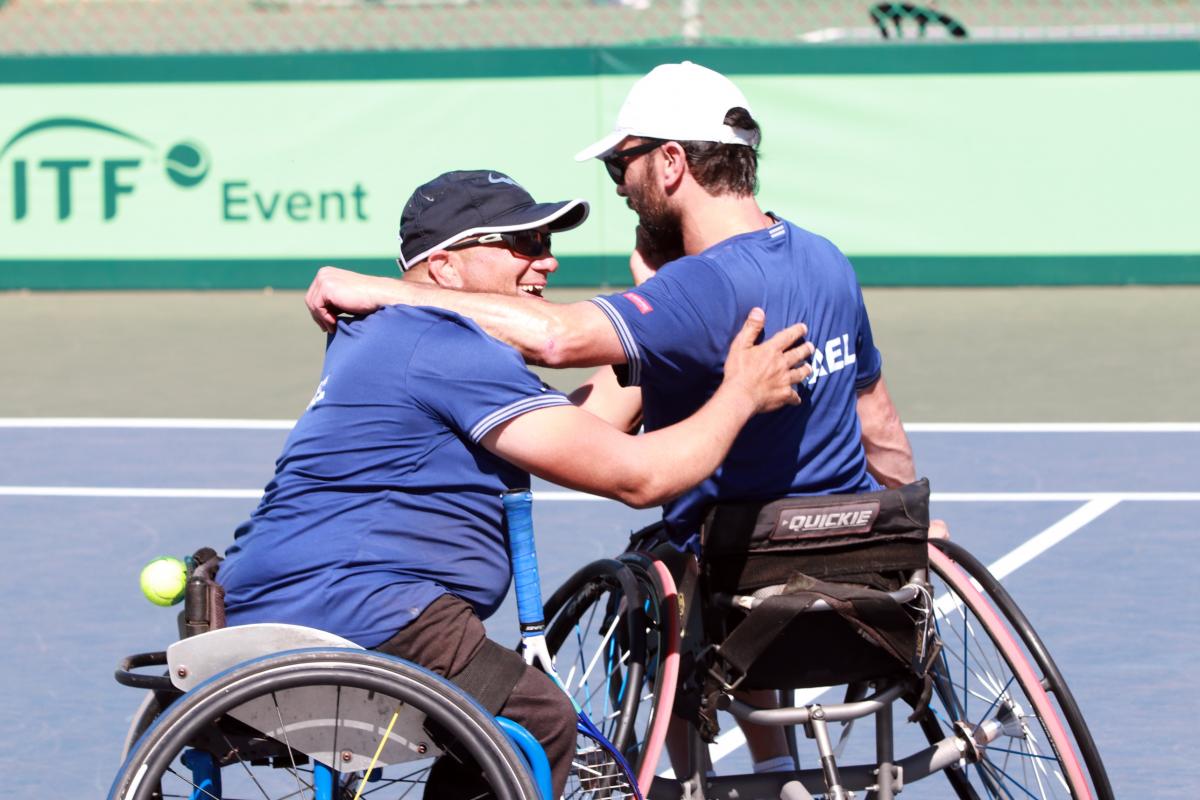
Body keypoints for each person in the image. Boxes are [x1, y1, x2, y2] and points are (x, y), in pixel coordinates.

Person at [303, 63, 928, 772]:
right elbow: (875, 417)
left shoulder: (705, 284)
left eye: (620, 167)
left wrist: (382, 289)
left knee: (659, 564)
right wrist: (908, 531)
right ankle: (774, 764)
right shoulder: (825, 260)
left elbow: (557, 338)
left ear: (670, 163)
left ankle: (725, 768)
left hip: (732, 579)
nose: (622, 188)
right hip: (856, 567)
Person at [219, 168, 814, 798]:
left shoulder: (393, 334)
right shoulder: (445, 345)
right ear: (445, 268)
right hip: (367, 609)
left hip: (275, 599)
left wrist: (659, 334)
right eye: (522, 245)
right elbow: (640, 476)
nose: (548, 261)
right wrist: (741, 393)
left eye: (546, 244)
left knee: (502, 723)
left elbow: (579, 430)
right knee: (537, 725)